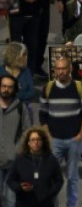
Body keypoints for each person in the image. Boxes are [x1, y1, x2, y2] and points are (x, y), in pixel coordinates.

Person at [38, 57, 82, 207]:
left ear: (70, 69)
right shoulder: (48, 88)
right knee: (50, 177)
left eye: (63, 68)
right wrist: (48, 136)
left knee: (73, 177)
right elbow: (43, 115)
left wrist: (81, 135)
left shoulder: (80, 87)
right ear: (54, 70)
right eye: (58, 69)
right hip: (54, 140)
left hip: (74, 140)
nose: (60, 72)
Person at [5, 127, 63, 207]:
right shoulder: (19, 160)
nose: (36, 142)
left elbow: (59, 180)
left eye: (38, 139)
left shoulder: (51, 160)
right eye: (32, 140)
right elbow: (10, 180)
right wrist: (20, 188)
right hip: (24, 202)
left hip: (45, 203)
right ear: (28, 143)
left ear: (43, 142)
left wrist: (50, 193)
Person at [0, 73, 30, 207]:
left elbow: (27, 132)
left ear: (14, 89)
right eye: (3, 86)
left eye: (9, 87)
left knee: (10, 199)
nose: (6, 89)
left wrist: (20, 151)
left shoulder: (20, 108)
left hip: (13, 161)